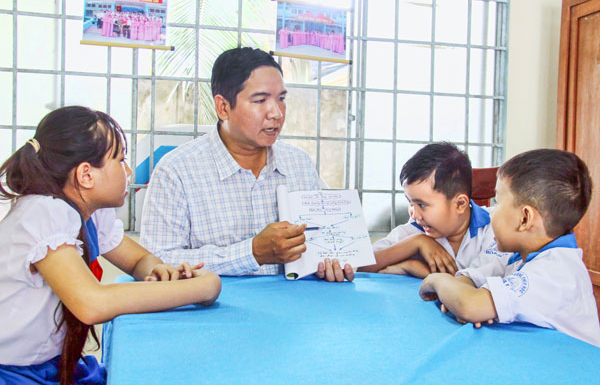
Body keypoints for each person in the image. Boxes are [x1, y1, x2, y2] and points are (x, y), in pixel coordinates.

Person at [0, 106, 221, 385]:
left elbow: (137, 261)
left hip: (48, 366)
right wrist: (203, 287)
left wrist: (160, 272)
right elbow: (92, 304)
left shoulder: (89, 212)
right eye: (120, 160)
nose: (127, 170)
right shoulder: (44, 212)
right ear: (86, 175)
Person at [141, 47, 353, 282]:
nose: (276, 113)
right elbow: (159, 261)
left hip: (295, 301)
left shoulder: (299, 163)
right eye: (260, 100)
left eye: (281, 99)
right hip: (214, 304)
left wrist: (329, 263)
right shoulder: (176, 170)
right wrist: (252, 253)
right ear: (223, 107)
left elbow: (321, 244)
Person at [418, 149, 600, 346]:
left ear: (524, 219)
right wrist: (460, 296)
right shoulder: (520, 256)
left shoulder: (555, 273)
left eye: (497, 202)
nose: (491, 213)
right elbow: (471, 279)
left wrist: (436, 280)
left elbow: (469, 305)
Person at [360, 142, 507, 278]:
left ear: (460, 204)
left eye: (422, 205)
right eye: (410, 202)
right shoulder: (413, 232)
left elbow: (476, 283)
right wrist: (416, 243)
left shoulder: (495, 227)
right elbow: (363, 267)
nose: (414, 214)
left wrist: (415, 268)